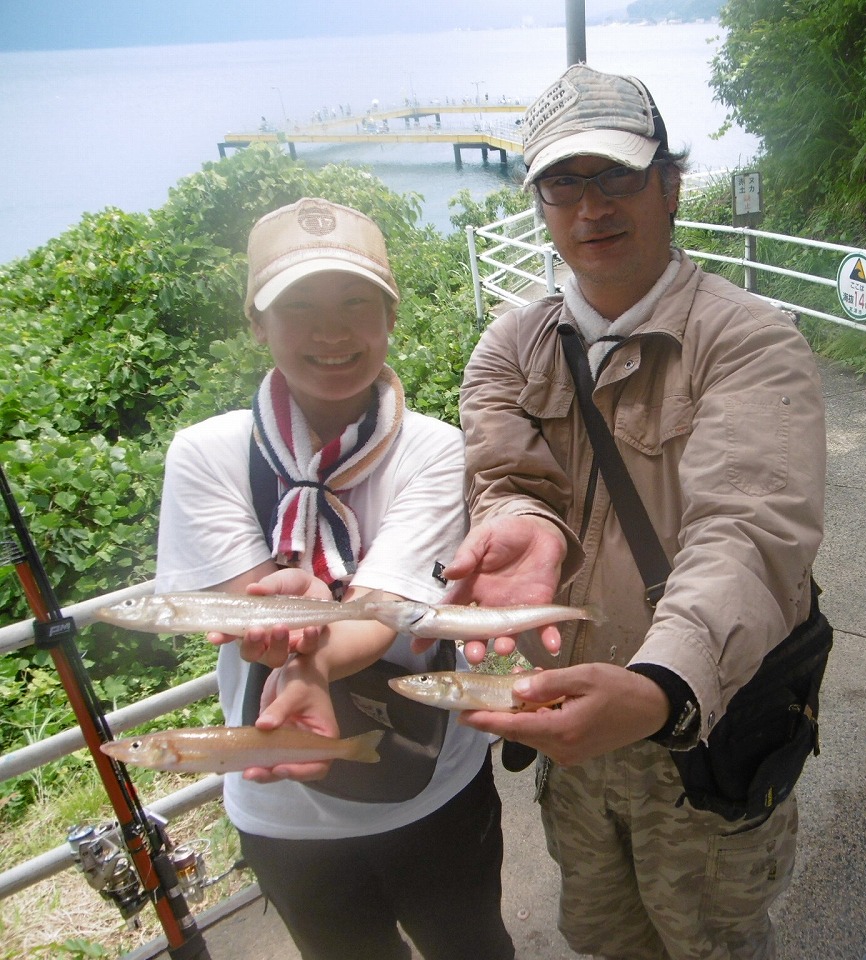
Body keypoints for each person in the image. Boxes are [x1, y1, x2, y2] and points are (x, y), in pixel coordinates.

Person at [441, 64, 827, 960]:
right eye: (562, 184)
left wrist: (664, 686)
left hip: (707, 719)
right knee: (606, 937)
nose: (592, 208)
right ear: (539, 201)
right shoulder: (509, 346)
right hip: (576, 729)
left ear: (670, 182)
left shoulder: (749, 343)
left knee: (714, 944)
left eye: (616, 175)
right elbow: (508, 479)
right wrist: (524, 525)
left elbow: (749, 533)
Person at [153, 197, 514, 960]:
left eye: (357, 303)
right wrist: (295, 632)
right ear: (256, 321)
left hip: (435, 783)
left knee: (474, 948)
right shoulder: (205, 454)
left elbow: (386, 608)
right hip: (277, 797)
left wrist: (305, 650)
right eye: (298, 307)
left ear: (390, 316)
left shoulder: (434, 449)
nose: (332, 331)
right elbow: (257, 622)